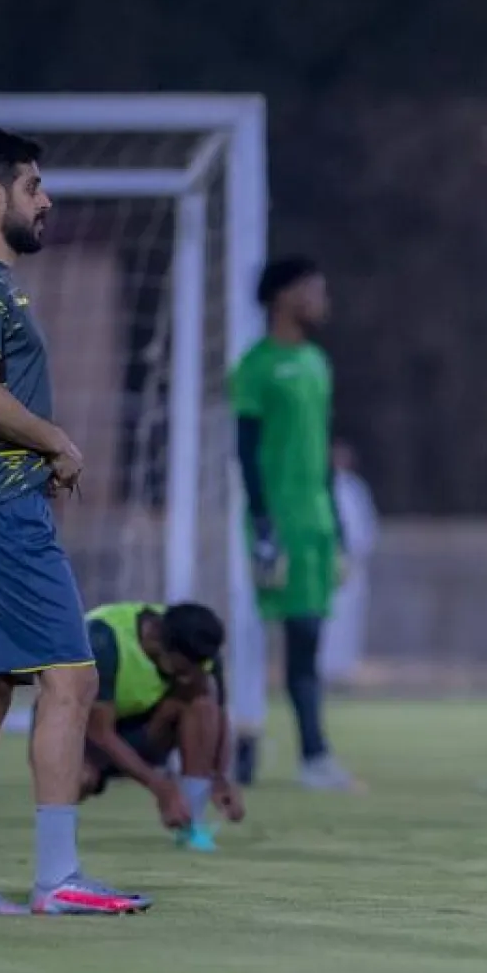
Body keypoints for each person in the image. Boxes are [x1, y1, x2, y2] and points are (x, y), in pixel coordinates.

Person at [0, 127, 149, 916]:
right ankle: (58, 879)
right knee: (74, 674)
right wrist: (58, 441)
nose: (45, 200)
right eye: (33, 186)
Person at [228, 257, 360, 791]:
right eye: (313, 289)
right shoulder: (255, 367)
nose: (321, 299)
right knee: (270, 636)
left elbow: (324, 452)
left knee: (309, 637)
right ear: (283, 297)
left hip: (317, 522)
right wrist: (262, 523)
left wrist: (341, 530)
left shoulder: (316, 363)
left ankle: (308, 754)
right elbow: (246, 451)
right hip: (276, 522)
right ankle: (286, 752)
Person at [78, 601, 246, 851]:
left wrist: (219, 776)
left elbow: (219, 712)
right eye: (182, 668)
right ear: (157, 639)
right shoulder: (103, 640)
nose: (189, 676)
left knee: (201, 701)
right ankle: (57, 854)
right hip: (88, 737)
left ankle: (191, 825)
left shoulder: (196, 647)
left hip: (145, 732)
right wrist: (160, 786)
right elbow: (98, 731)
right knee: (79, 780)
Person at [318, 441, 379, 686]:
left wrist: (355, 555)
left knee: (348, 620)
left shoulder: (356, 489)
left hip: (352, 568)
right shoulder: (323, 488)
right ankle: (323, 669)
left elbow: (367, 529)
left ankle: (344, 669)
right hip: (325, 567)